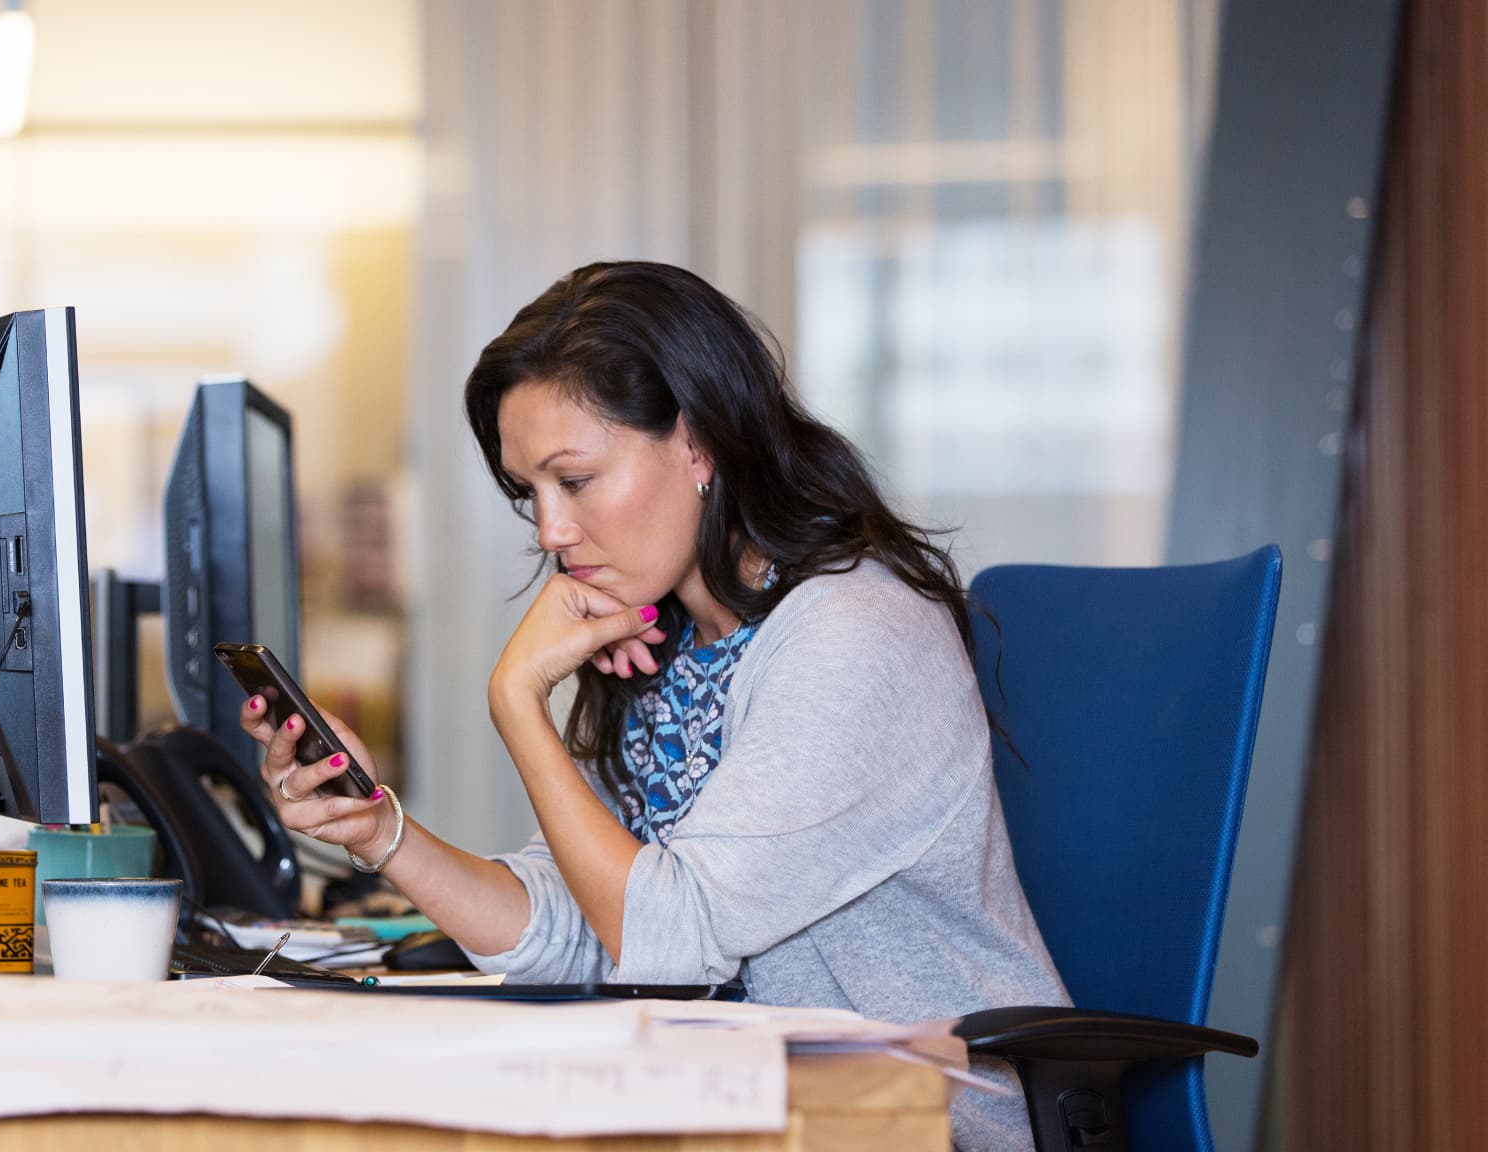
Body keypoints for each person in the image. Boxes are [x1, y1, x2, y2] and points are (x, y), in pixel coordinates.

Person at [240, 260, 1068, 1149]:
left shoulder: (857, 637)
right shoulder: (663, 640)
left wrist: (517, 701)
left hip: (906, 1120)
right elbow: (581, 931)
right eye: (532, 494)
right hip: (729, 1103)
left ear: (700, 443)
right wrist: (380, 832)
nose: (552, 532)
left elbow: (667, 940)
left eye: (577, 480)